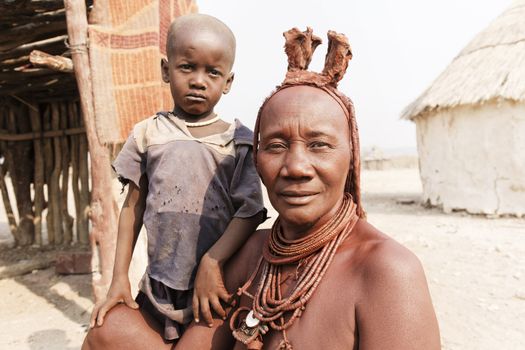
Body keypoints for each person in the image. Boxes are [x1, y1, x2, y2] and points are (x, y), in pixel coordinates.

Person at [174, 27, 441, 349]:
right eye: (275, 145)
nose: (296, 168)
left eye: (318, 145)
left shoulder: (386, 271)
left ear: (352, 157)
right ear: (256, 158)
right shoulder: (251, 254)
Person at [82, 14, 266, 349]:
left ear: (228, 81)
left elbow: (251, 212)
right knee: (104, 333)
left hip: (213, 290)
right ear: (166, 70)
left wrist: (214, 261)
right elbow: (133, 208)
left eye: (212, 72)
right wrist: (119, 277)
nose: (199, 81)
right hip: (158, 288)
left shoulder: (237, 142)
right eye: (187, 67)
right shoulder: (147, 135)